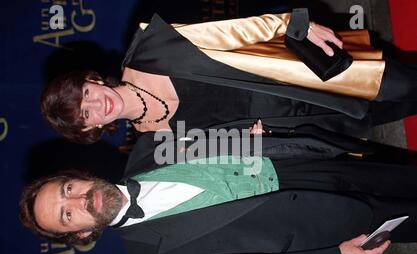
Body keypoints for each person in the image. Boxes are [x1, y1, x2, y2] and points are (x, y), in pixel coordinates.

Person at [19, 128, 417, 254]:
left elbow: (214, 132)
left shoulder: (144, 148)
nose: (78, 201)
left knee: (403, 175)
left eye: (67, 190)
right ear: (81, 234)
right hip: (316, 223)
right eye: (66, 214)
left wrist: (249, 132)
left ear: (79, 177)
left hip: (303, 165)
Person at [40, 8, 417, 144]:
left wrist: (293, 25)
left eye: (84, 94)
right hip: (303, 121)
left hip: (302, 76)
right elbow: (221, 146)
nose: (94, 104)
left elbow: (231, 30)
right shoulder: (151, 138)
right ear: (90, 130)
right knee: (394, 108)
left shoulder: (147, 49)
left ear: (92, 80)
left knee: (401, 82)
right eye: (85, 115)